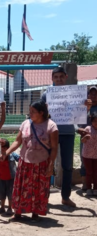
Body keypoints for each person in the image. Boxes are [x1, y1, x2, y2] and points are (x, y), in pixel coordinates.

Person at [41, 67, 88, 208]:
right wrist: (45, 108)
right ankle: (43, 197)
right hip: (50, 133)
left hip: (68, 133)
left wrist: (87, 106)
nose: (59, 79)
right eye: (56, 77)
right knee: (46, 164)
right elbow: (39, 113)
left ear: (66, 77)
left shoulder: (76, 94)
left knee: (67, 166)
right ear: (52, 78)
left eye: (61, 76)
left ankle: (65, 197)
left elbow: (79, 114)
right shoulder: (46, 95)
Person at [5, 100, 59, 222]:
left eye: (33, 112)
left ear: (41, 113)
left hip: (42, 163)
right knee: (21, 188)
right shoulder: (25, 124)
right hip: (25, 162)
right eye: (30, 111)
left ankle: (35, 213)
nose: (30, 114)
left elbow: (54, 148)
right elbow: (18, 141)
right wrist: (6, 152)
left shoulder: (51, 126)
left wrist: (51, 165)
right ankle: (17, 212)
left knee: (39, 188)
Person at [77, 86, 97, 189]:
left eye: (95, 94)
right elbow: (79, 123)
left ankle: (94, 185)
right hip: (86, 139)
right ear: (88, 95)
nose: (93, 96)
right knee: (84, 160)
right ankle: (85, 183)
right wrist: (86, 109)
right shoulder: (82, 108)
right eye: (91, 94)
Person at [0, 140, 19, 215]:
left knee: (10, 194)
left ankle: (10, 208)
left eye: (3, 147)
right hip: (1, 179)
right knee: (1, 194)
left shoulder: (12, 154)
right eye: (0, 148)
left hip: (11, 178)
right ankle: (2, 207)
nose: (2, 149)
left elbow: (20, 159)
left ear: (7, 148)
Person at [81, 112, 97, 196]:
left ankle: (95, 188)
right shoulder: (87, 129)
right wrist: (84, 138)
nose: (96, 123)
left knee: (96, 172)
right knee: (89, 172)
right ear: (91, 121)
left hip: (96, 155)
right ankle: (88, 188)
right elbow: (82, 141)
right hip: (87, 155)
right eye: (94, 121)